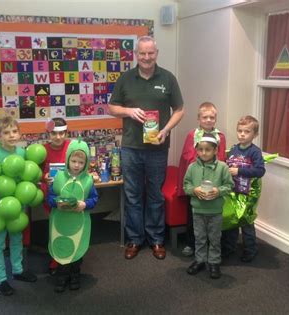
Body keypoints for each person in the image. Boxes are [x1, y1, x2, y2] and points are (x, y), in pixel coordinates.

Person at [109, 35, 184, 260]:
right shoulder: (126, 78)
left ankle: (156, 239)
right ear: (136, 54)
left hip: (157, 148)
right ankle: (134, 239)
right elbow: (112, 107)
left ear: (156, 53)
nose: (146, 57)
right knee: (132, 195)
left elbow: (179, 109)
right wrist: (129, 111)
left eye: (150, 53)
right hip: (131, 147)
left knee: (155, 195)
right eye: (142, 53)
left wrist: (166, 129)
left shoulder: (168, 79)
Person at [0, 116, 37, 296]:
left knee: (17, 239)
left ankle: (18, 270)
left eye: (14, 131)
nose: (11, 135)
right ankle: (0, 279)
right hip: (0, 206)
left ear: (19, 133)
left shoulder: (22, 153)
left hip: (18, 205)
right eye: (6, 133)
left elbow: (27, 178)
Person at [46, 139, 98, 292]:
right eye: (74, 161)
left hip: (79, 223)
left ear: (86, 163)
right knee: (62, 249)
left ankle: (75, 275)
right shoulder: (58, 178)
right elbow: (49, 198)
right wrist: (56, 203)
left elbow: (94, 199)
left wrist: (85, 204)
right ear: (68, 159)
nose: (76, 165)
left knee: (76, 251)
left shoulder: (88, 180)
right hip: (60, 223)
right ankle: (61, 277)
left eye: (81, 162)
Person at [177, 102, 227, 257]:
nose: (208, 120)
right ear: (199, 118)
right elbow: (186, 157)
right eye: (205, 117)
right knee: (193, 216)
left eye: (212, 117)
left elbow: (222, 158)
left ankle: (213, 247)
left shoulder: (220, 136)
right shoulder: (193, 135)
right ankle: (191, 243)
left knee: (213, 217)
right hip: (196, 181)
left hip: (214, 181)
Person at [183, 134, 234, 279]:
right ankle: (200, 260)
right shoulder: (192, 167)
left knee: (215, 237)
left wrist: (218, 191)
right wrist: (194, 190)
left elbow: (230, 186)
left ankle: (214, 262)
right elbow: (186, 185)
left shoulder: (223, 167)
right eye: (200, 150)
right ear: (196, 150)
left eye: (207, 150)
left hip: (215, 211)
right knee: (199, 237)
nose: (203, 153)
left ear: (215, 150)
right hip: (198, 211)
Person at [221, 115, 266, 262]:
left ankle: (250, 250)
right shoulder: (233, 149)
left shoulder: (255, 152)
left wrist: (239, 171)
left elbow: (260, 171)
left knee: (246, 222)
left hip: (248, 193)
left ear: (255, 134)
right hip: (233, 191)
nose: (242, 134)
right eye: (240, 131)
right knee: (232, 220)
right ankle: (229, 248)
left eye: (246, 132)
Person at [40, 118, 71, 274]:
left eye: (61, 133)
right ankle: (55, 260)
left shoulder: (72, 147)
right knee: (55, 229)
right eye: (54, 133)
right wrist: (44, 177)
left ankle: (71, 257)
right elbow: (36, 173)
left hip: (70, 194)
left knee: (70, 227)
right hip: (52, 197)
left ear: (66, 133)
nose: (58, 137)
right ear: (48, 133)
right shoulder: (42, 150)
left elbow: (80, 164)